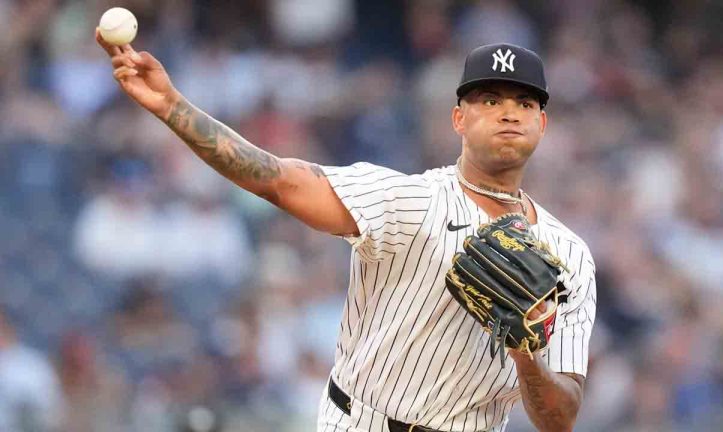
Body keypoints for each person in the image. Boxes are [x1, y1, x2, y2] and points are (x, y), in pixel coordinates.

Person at [98, 29, 596, 432]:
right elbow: (278, 179)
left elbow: (561, 417)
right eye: (489, 99)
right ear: (458, 119)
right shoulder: (409, 200)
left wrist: (525, 355)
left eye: (525, 102)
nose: (509, 111)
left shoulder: (569, 256)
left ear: (542, 124)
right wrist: (171, 107)